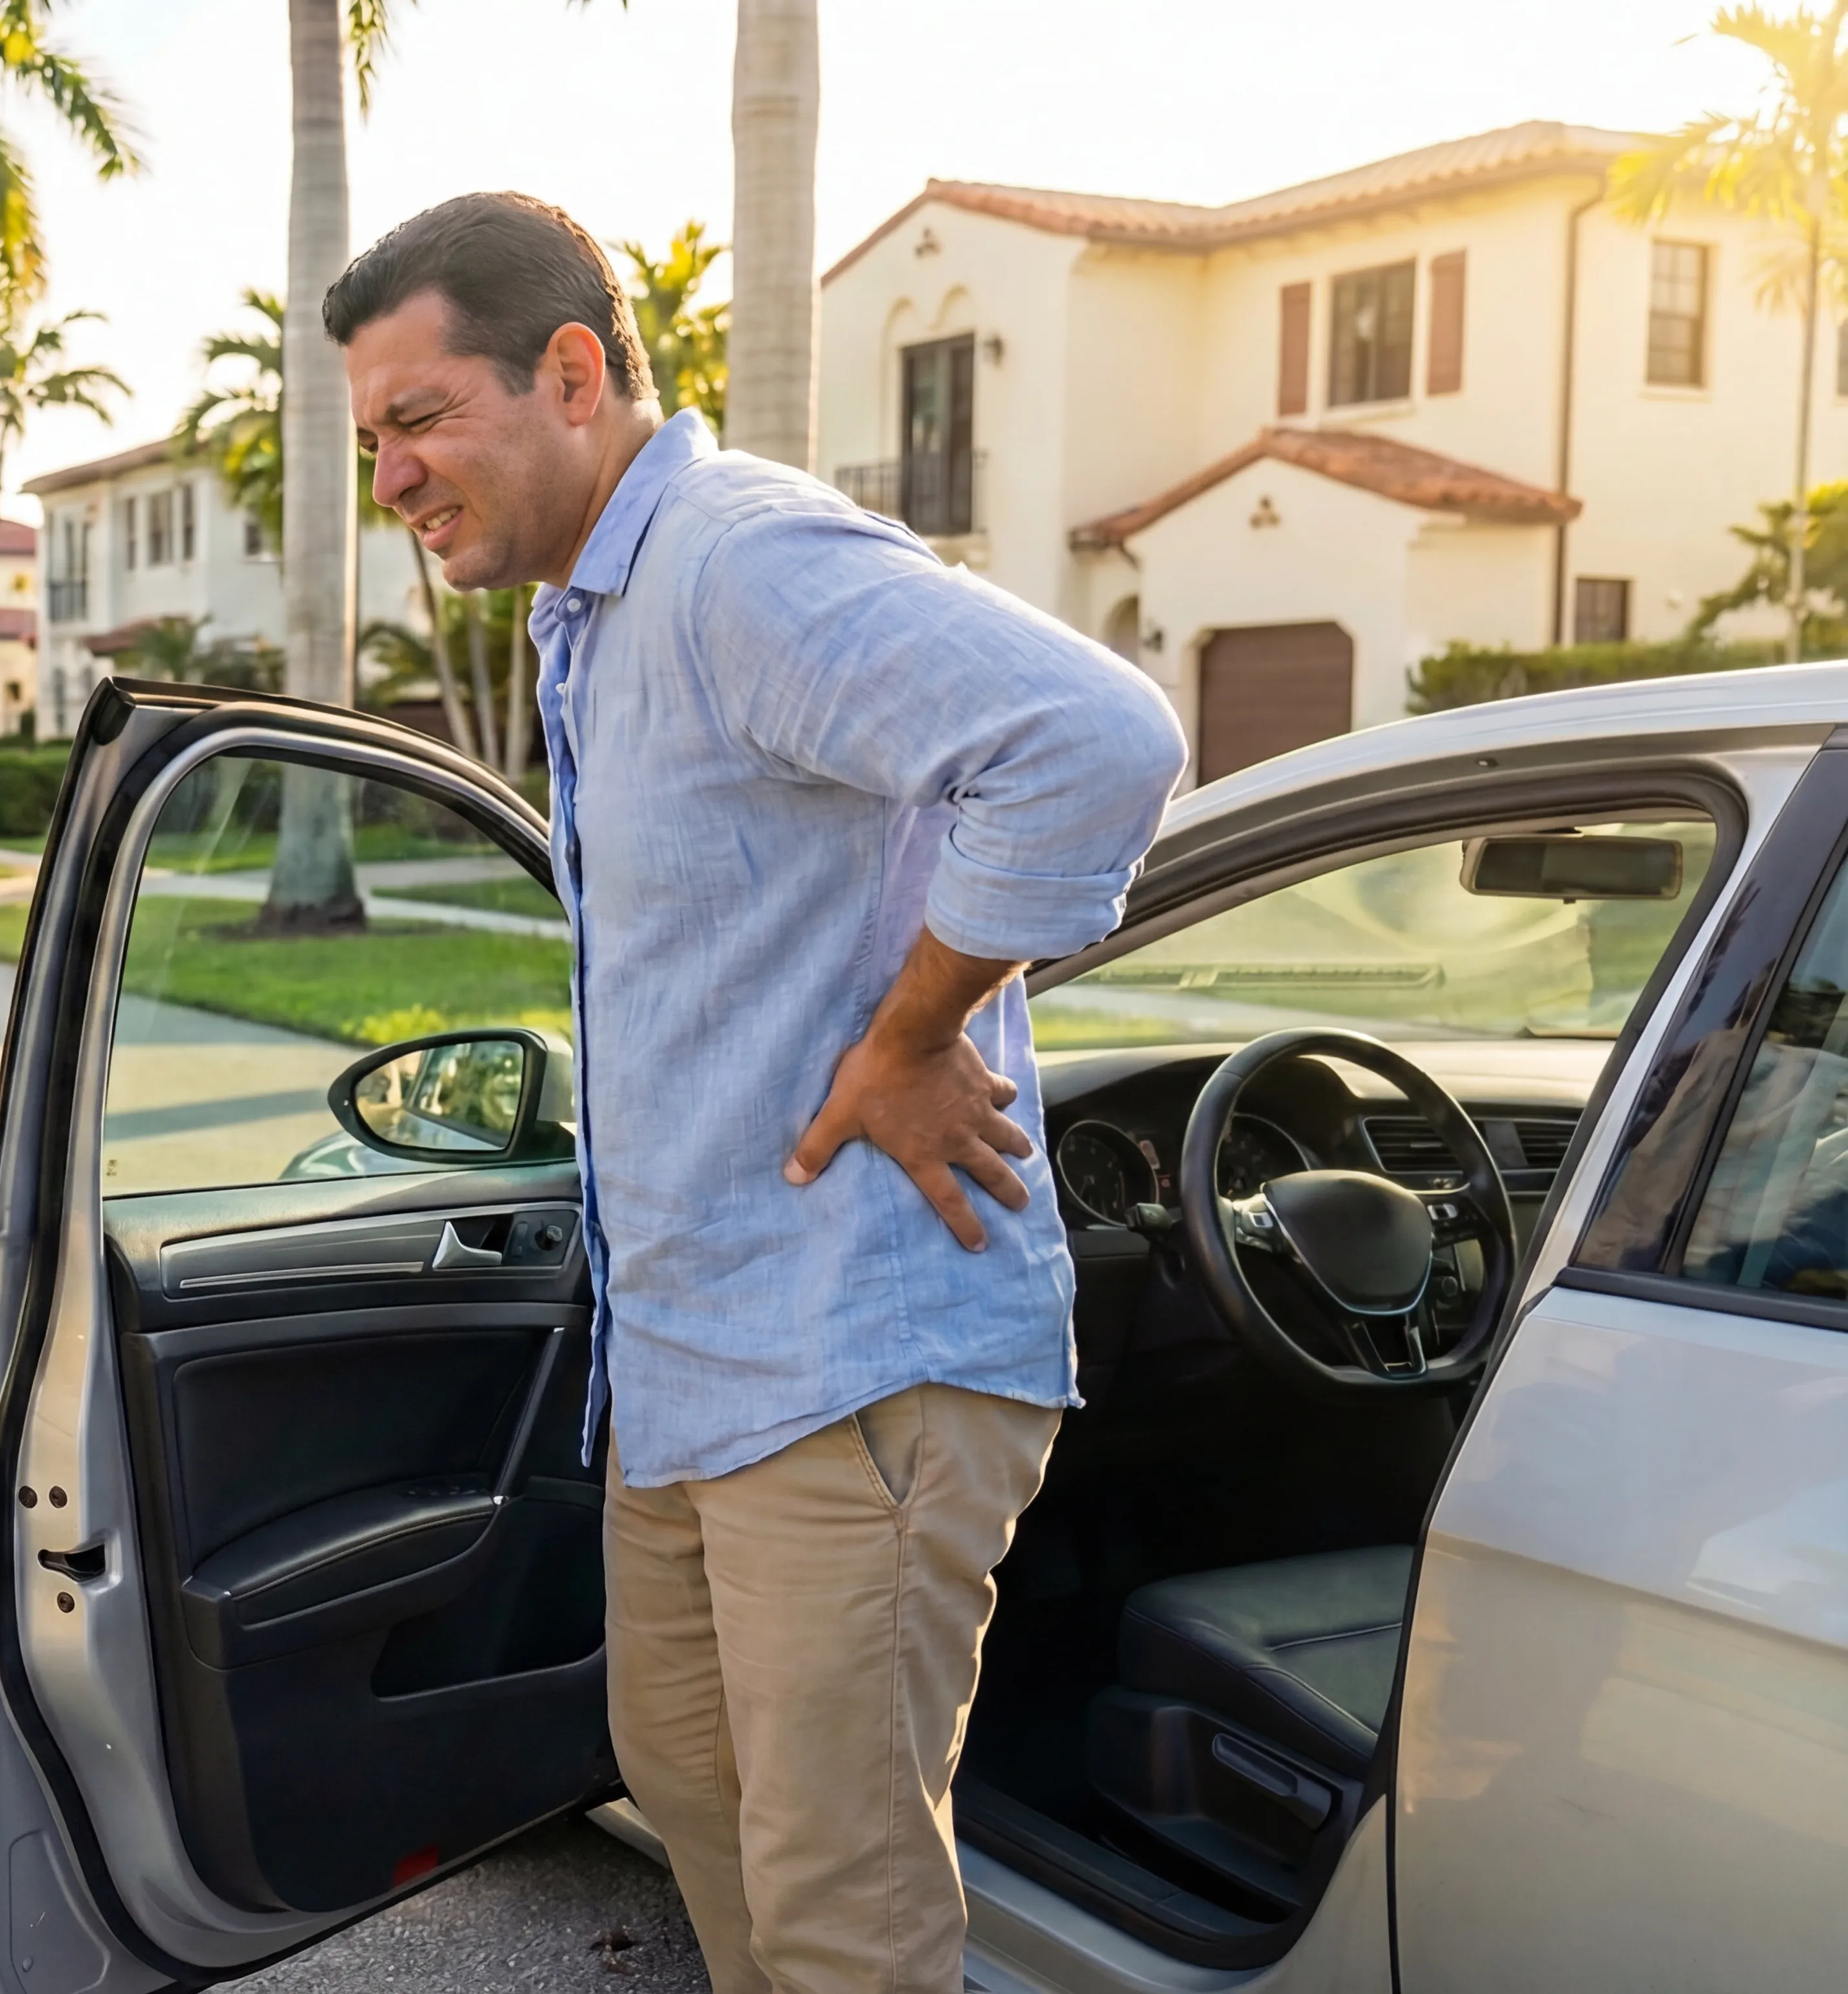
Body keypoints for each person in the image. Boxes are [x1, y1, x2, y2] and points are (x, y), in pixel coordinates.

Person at [325, 193, 1185, 1993]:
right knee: (692, 1783)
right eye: (370, 441)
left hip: (849, 1365)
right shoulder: (601, 611)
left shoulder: (734, 561)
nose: (390, 475)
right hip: (702, 1363)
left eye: (416, 421)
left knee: (840, 1912)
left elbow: (1093, 742)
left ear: (571, 373)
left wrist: (916, 1034)